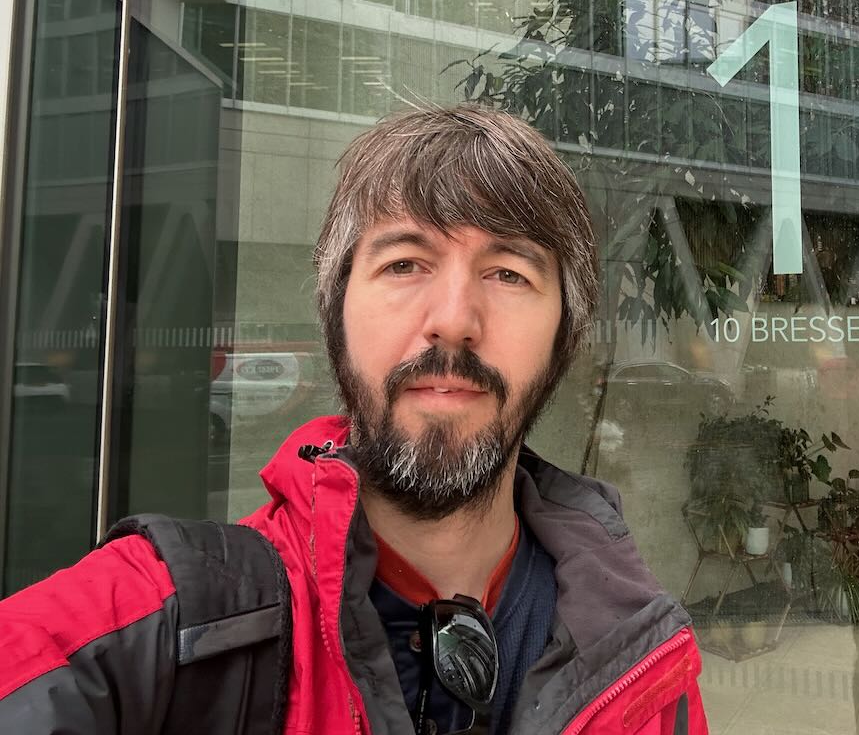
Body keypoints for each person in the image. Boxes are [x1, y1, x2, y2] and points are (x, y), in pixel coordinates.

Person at [0, 107, 707, 735]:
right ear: (336, 317)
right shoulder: (162, 620)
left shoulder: (645, 661)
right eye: (405, 263)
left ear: (565, 337)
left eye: (509, 274)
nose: (454, 321)